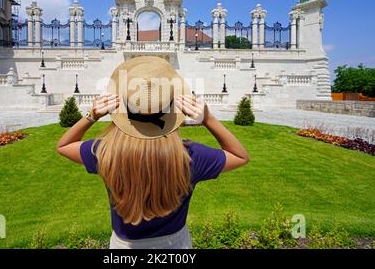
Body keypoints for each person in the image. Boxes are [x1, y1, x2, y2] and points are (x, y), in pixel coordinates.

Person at [57, 56, 250, 249]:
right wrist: (208, 119)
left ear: (123, 106)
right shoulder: (190, 155)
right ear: (172, 108)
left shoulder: (105, 151)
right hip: (176, 245)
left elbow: (64, 146)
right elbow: (240, 156)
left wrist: (92, 115)